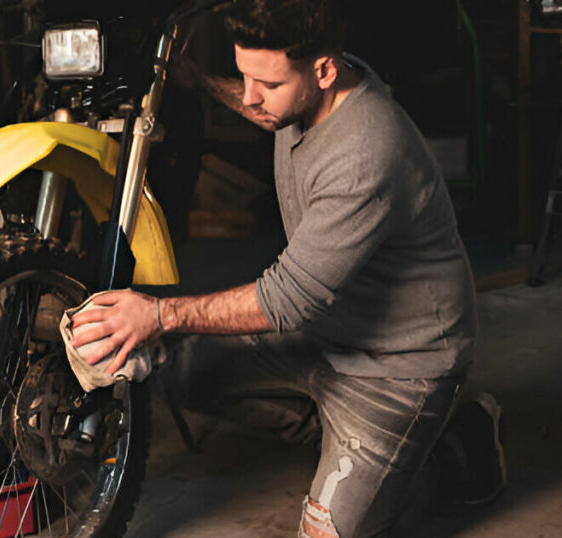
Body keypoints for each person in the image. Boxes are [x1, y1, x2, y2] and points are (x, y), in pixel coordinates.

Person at [69, 0, 504, 535]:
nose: (252, 96)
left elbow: (286, 299)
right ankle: (344, 439)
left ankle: (449, 452)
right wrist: (203, 80)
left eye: (266, 84)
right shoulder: (304, 95)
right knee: (188, 375)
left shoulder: (368, 150)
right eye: (244, 75)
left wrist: (155, 315)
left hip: (397, 364)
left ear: (323, 70)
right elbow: (258, 102)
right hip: (322, 332)